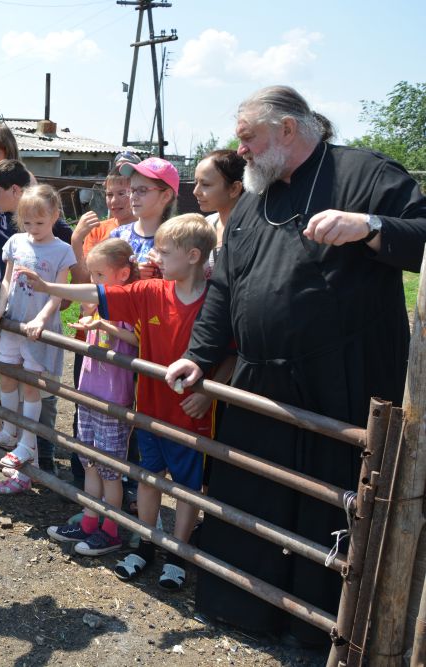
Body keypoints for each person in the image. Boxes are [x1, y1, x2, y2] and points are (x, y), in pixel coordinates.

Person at [163, 85, 426, 646]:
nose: (242, 151)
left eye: (249, 137)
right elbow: (225, 289)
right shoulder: (252, 201)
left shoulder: (366, 173)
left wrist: (372, 228)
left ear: (288, 129)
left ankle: (320, 630)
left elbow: (422, 234)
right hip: (261, 380)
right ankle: (244, 606)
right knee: (252, 493)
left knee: (328, 505)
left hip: (345, 381)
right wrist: (199, 357)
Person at [20, 213, 217, 590]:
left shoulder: (214, 301)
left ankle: (177, 552)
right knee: (147, 478)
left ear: (193, 256)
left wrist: (208, 390)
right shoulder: (151, 291)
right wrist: (49, 286)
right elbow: (97, 294)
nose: (155, 258)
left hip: (191, 414)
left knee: (186, 487)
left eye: (165, 251)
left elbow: (229, 352)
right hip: (149, 406)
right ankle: (144, 543)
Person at [0, 159, 74, 474]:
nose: (33, 230)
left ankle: (27, 443)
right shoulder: (16, 243)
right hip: (14, 322)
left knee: (32, 386)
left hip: (36, 327)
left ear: (54, 217)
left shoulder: (62, 250)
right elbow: (6, 281)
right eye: (28, 223)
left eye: (40, 223)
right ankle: (9, 429)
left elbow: (58, 292)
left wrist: (42, 320)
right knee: (8, 377)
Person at [46, 238, 138, 556]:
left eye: (99, 275)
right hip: (89, 391)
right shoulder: (101, 303)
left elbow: (137, 338)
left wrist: (105, 325)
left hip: (113, 398)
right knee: (89, 462)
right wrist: (91, 317)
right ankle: (88, 523)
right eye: (92, 275)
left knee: (110, 468)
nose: (94, 282)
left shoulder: (128, 302)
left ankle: (110, 532)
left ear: (122, 274)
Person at [110, 157, 180, 279]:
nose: (133, 197)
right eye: (132, 190)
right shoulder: (118, 236)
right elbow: (102, 280)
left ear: (166, 196)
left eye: (142, 190)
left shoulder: (178, 241)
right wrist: (131, 275)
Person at [191, 149, 245, 272]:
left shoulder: (250, 229)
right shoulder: (205, 225)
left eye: (206, 184)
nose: (196, 191)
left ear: (234, 188)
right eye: (196, 183)